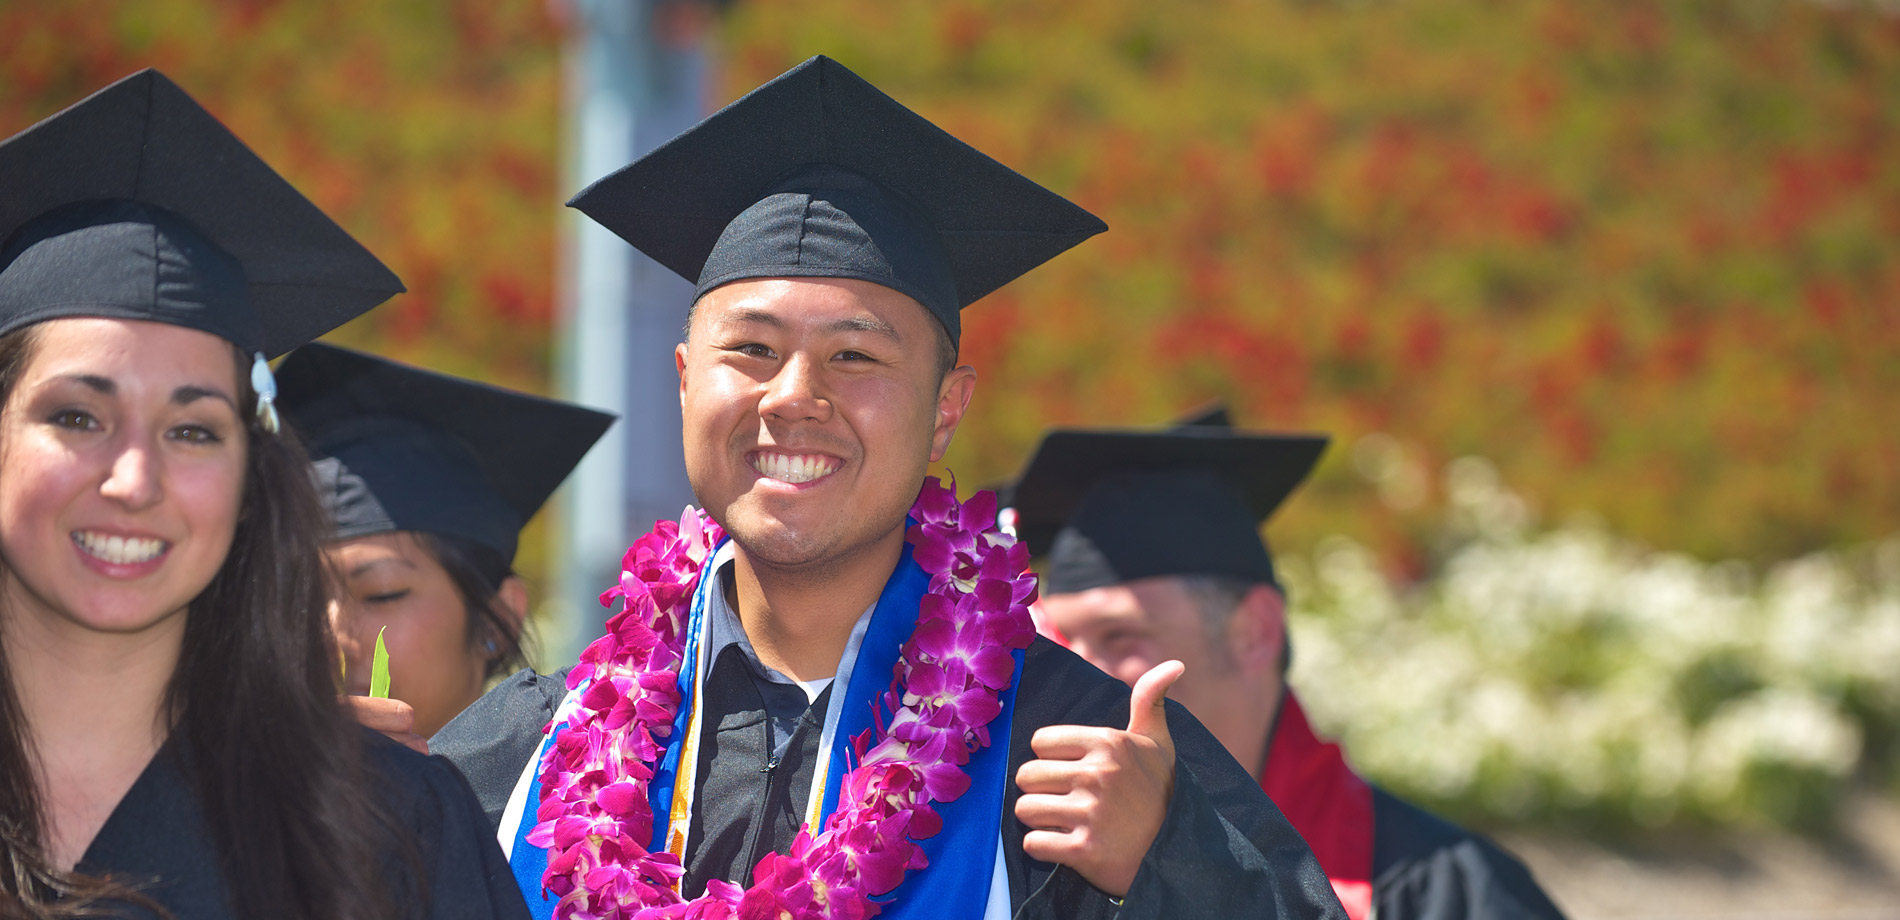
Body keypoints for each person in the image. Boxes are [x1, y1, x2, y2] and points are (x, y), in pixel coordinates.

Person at [431, 55, 1344, 920]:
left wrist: (1167, 866)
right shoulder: (522, 757)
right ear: (681, 379)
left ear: (946, 409)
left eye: (855, 355)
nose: (793, 397)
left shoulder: (1074, 760)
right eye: (750, 350)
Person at [0, 70, 530, 919]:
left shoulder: (389, 832)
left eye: (195, 428)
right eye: (77, 415)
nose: (135, 479)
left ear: (253, 481)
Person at [1014, 412, 1568, 920]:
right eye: (1064, 640)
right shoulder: (1034, 859)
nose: (1080, 672)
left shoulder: (1448, 892)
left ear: (1252, 632)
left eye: (1119, 635)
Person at [274, 342, 614, 740]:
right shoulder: (240, 796)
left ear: (498, 621)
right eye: (301, 600)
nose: (329, 637)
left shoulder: (558, 797)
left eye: (382, 593)